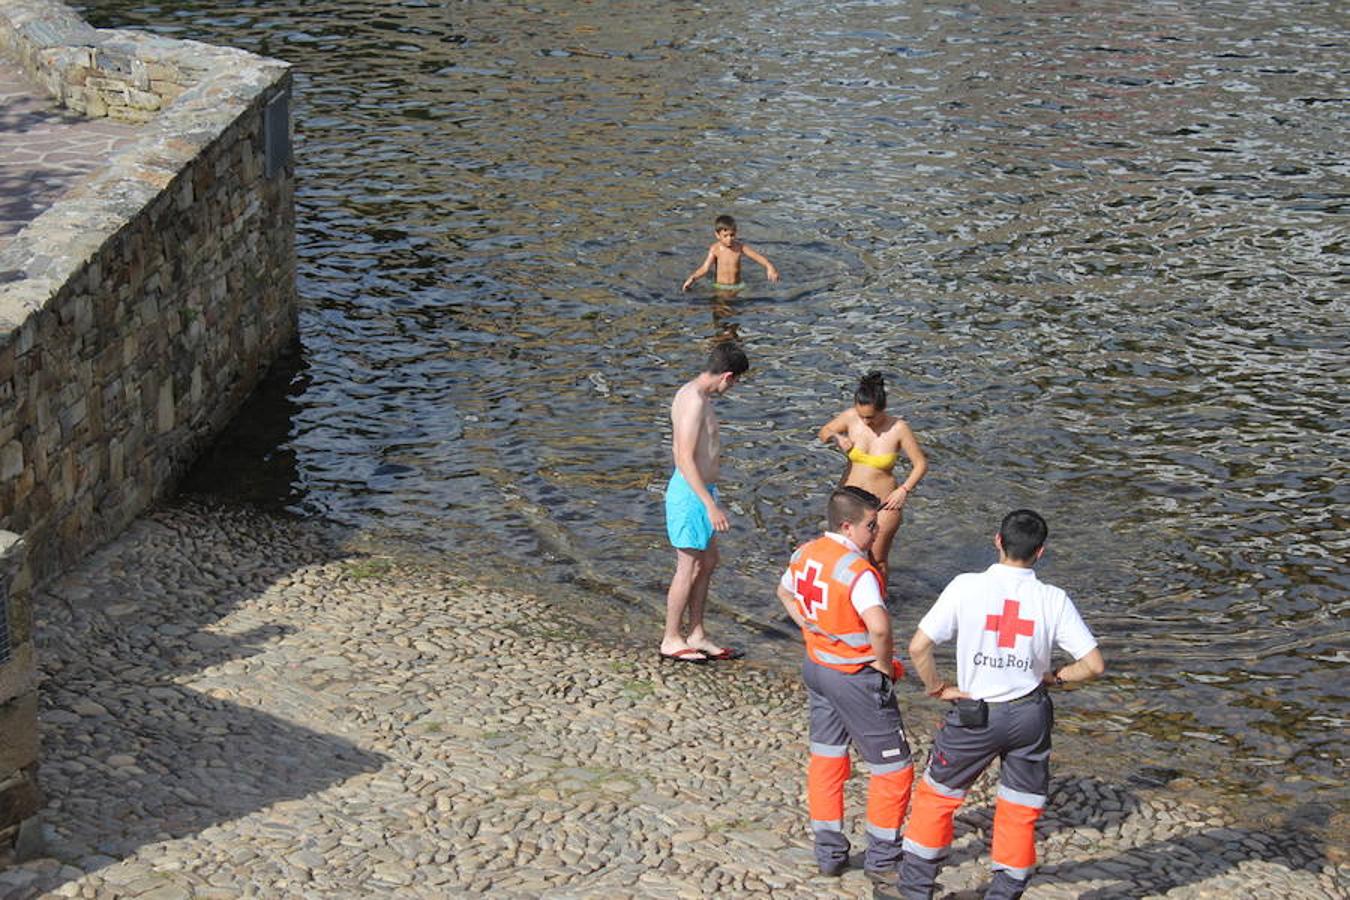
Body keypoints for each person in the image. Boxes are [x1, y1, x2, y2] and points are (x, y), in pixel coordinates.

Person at [895, 510, 1106, 900]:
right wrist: (1057, 677)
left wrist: (937, 687)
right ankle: (1005, 892)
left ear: (997, 541)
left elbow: (918, 647)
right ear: (1040, 552)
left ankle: (914, 889)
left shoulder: (965, 587)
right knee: (1019, 808)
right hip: (1030, 714)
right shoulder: (1053, 599)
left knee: (938, 797)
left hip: (976, 714)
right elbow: (1094, 665)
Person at [776, 486, 914, 880]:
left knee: (827, 757)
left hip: (817, 666)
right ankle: (884, 859)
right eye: (872, 525)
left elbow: (784, 593)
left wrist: (810, 627)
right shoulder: (857, 571)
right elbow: (880, 628)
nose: (877, 532)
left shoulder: (805, 553)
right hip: (855, 677)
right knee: (894, 768)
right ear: (848, 526)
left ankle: (829, 853)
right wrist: (885, 667)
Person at [660, 342, 750, 664]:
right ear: (726, 375)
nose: (733, 387)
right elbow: (684, 457)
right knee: (688, 566)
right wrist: (708, 504)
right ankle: (671, 637)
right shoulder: (694, 401)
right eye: (735, 381)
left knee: (708, 560)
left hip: (703, 491)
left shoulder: (698, 395)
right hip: (690, 493)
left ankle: (696, 633)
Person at [817, 372, 927, 589]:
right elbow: (823, 432)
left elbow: (921, 464)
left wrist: (904, 489)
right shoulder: (850, 417)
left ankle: (880, 603)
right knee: (841, 553)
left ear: (882, 410)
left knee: (877, 560)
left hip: (884, 502)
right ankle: (840, 598)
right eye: (861, 416)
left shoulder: (898, 428)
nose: (865, 422)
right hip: (850, 500)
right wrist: (837, 437)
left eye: (871, 417)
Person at [681, 214, 780, 292]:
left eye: (732, 235)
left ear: (736, 232)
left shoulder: (740, 247)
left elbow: (757, 257)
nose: (729, 239)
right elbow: (705, 268)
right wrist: (693, 278)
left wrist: (769, 266)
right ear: (717, 235)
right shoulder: (715, 249)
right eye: (725, 236)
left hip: (737, 286)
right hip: (720, 287)